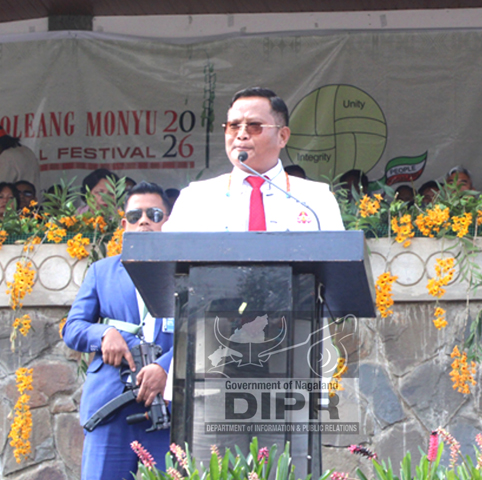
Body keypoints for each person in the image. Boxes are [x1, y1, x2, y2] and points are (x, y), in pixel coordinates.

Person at [63, 182, 174, 480]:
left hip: (168, 406)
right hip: (111, 404)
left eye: (154, 214)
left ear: (169, 221)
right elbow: (72, 328)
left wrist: (165, 368)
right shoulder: (102, 271)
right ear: (124, 224)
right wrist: (102, 335)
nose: (144, 221)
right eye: (135, 215)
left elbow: (200, 329)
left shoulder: (187, 271)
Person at [164, 87, 344, 232]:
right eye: (233, 126)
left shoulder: (315, 199)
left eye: (254, 126)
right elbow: (170, 264)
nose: (241, 135)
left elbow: (338, 266)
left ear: (282, 136)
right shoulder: (197, 198)